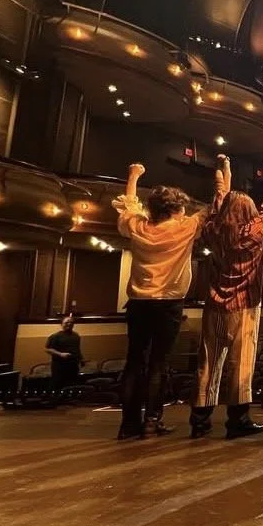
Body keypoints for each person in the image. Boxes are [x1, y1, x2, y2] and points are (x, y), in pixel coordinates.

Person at [114, 163, 206, 439]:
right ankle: (152, 421)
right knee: (158, 362)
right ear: (177, 210)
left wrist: (133, 176)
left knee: (133, 361)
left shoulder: (138, 226)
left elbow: (129, 205)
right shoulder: (185, 228)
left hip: (139, 302)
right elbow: (214, 208)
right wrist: (222, 175)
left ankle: (128, 424)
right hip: (168, 304)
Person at [190, 155, 263, 440]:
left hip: (214, 303)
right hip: (244, 305)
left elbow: (218, 201)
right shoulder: (254, 232)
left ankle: (200, 420)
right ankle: (238, 419)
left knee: (208, 361)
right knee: (241, 361)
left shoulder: (212, 230)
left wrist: (224, 173)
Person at [45, 315, 84, 390]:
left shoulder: (76, 336)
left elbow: (77, 349)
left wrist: (81, 359)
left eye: (71, 322)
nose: (69, 324)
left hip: (73, 365)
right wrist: (60, 354)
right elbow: (48, 349)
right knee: (58, 386)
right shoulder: (55, 336)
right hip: (59, 366)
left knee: (72, 385)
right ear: (61, 324)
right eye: (67, 322)